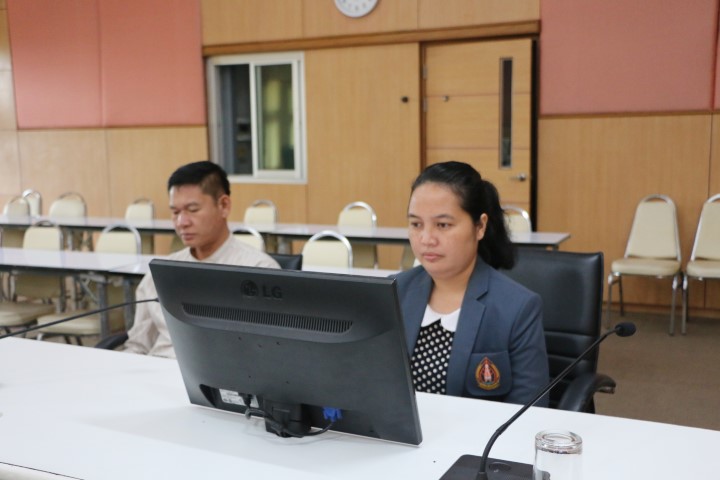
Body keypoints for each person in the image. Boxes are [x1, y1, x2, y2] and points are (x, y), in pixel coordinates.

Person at [395, 161, 549, 406]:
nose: (426, 239)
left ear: (480, 226)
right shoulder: (394, 291)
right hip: (400, 429)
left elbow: (529, 409)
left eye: (443, 225)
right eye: (416, 224)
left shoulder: (518, 308)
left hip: (481, 432)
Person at [123, 161, 280, 358]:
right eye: (175, 212)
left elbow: (267, 352)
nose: (182, 222)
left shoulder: (259, 270)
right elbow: (137, 345)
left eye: (193, 210)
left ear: (224, 206)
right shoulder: (160, 273)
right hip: (156, 367)